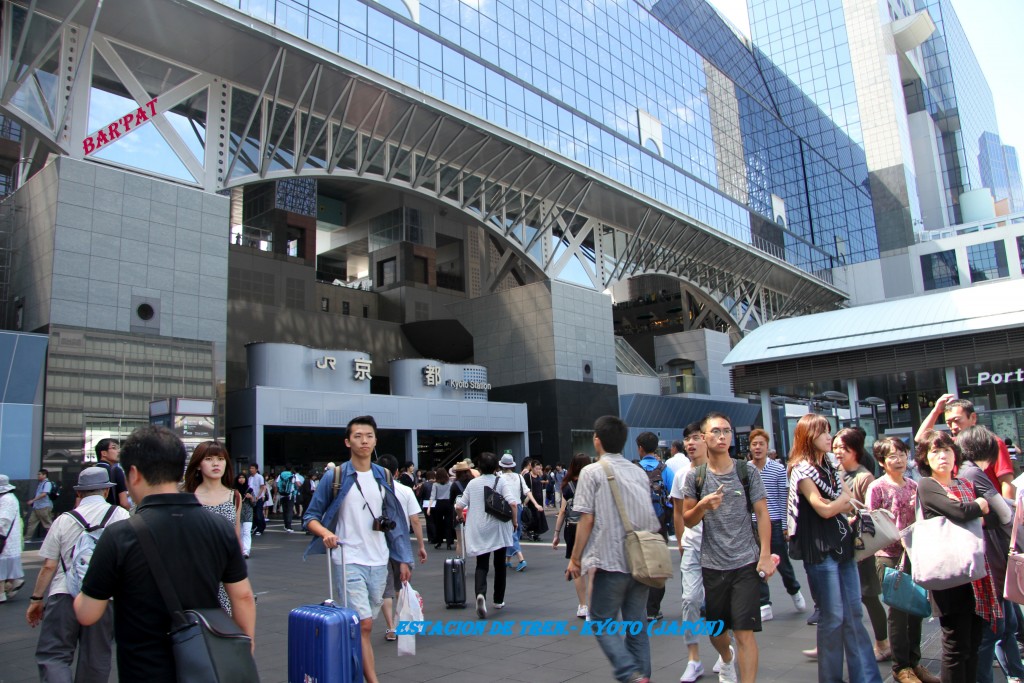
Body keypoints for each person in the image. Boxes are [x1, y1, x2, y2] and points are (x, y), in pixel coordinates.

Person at [73, 425, 255, 683]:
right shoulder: (219, 528)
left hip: (143, 670)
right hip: (205, 666)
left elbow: (87, 613)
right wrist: (243, 646)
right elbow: (243, 597)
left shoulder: (119, 535)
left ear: (133, 474)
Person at [302, 415, 413, 683]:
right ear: (347, 441)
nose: (364, 441)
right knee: (362, 624)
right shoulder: (336, 476)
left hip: (379, 560)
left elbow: (394, 523)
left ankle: (348, 672)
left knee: (363, 625)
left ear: (375, 441)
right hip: (347, 558)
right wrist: (327, 532)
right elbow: (310, 517)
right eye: (358, 436)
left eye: (369, 436)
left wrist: (403, 560)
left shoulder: (383, 475)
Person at [786, 413, 881, 683]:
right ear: (808, 436)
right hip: (819, 548)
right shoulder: (801, 469)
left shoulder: (829, 463)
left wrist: (838, 503)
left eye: (829, 431)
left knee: (853, 613)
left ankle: (867, 677)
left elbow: (845, 501)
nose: (831, 437)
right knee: (834, 616)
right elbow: (824, 508)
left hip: (842, 544)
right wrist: (839, 503)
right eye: (824, 433)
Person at [567, 416, 661, 683]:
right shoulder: (637, 471)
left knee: (600, 620)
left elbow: (586, 518)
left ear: (597, 440)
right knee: (636, 625)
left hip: (612, 561)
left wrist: (575, 559)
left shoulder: (592, 472)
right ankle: (643, 676)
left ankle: (628, 672)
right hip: (642, 560)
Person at [682, 412, 775, 683]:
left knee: (745, 632)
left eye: (726, 431)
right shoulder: (695, 477)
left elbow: (762, 512)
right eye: (716, 432)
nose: (722, 436)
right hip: (713, 564)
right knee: (716, 630)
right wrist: (702, 505)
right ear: (703, 437)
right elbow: (687, 520)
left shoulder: (747, 471)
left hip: (745, 561)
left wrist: (765, 554)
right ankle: (726, 658)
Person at [26, 467, 129, 683]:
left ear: (79, 493)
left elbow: (48, 566)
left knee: (54, 654)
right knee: (96, 656)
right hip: (104, 597)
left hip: (63, 593)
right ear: (106, 492)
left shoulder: (64, 519)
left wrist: (36, 599)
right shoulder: (120, 515)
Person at [915, 429, 999, 683]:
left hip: (975, 572)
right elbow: (962, 512)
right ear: (925, 459)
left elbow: (993, 519)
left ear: (956, 455)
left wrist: (975, 510)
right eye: (935, 451)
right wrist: (978, 507)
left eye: (947, 450)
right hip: (949, 574)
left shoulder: (964, 483)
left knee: (973, 642)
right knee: (955, 645)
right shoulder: (927, 485)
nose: (942, 456)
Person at [955, 426, 1024, 683]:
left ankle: (1015, 673)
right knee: (993, 628)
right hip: (988, 555)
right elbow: (1004, 514)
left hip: (987, 554)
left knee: (1005, 625)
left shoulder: (963, 471)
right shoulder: (974, 472)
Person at [866, 437, 938, 683]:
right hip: (888, 555)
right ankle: (900, 667)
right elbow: (871, 522)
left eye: (902, 454)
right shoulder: (877, 487)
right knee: (898, 612)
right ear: (882, 461)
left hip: (913, 553)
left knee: (916, 607)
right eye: (892, 456)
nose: (898, 460)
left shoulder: (914, 485)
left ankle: (914, 662)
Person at [833, 427, 890, 662]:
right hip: (839, 543)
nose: (837, 452)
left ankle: (882, 643)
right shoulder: (835, 471)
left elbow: (869, 512)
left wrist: (850, 514)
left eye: (842, 448)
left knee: (868, 595)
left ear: (854, 450)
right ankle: (836, 643)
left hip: (860, 546)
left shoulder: (864, 477)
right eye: (835, 447)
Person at [749, 428, 805, 622]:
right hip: (752, 523)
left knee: (782, 563)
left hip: (774, 521)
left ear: (767, 447)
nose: (757, 448)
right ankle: (764, 603)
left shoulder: (778, 469)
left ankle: (794, 589)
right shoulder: (745, 469)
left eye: (761, 444)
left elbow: (784, 497)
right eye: (754, 444)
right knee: (757, 562)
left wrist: (786, 525)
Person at [455, 452, 517, 618]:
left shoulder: (473, 484)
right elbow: (512, 503)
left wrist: (460, 517)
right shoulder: (501, 481)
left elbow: (459, 505)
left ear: (479, 467)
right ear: (496, 467)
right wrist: (515, 522)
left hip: (479, 528)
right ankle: (498, 600)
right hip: (499, 528)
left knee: (481, 564)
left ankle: (480, 594)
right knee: (499, 565)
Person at [184, 441, 243, 614]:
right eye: (209, 459)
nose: (216, 463)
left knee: (224, 627)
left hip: (225, 574)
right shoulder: (186, 496)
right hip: (193, 573)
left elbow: (236, 538)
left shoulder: (235, 496)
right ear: (198, 465)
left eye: (220, 459)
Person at [917, 395, 1015, 499]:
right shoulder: (951, 444)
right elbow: (921, 439)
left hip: (991, 507)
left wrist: (1009, 511)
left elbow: (1006, 481)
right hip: (963, 508)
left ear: (973, 417)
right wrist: (936, 411)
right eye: (949, 423)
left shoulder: (992, 443)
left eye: (957, 420)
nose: (953, 426)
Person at [671, 423, 709, 683]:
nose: (691, 443)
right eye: (687, 439)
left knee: (720, 603)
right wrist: (682, 540)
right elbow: (677, 511)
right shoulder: (681, 475)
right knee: (690, 599)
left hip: (722, 548)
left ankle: (725, 651)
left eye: (696, 437)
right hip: (693, 545)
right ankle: (693, 659)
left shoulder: (724, 471)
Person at [376, 454, 427, 642]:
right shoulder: (405, 490)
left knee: (385, 587)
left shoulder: (373, 490)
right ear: (397, 472)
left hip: (378, 543)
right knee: (401, 584)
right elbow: (415, 519)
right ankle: (403, 622)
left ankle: (391, 627)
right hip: (401, 543)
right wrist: (421, 545)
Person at [552, 453, 593, 619]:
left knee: (576, 565)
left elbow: (562, 511)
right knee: (593, 565)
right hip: (590, 526)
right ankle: (595, 605)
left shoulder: (567, 486)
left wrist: (556, 534)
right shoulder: (592, 482)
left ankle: (583, 605)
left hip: (572, 528)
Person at [636, 431, 671, 622]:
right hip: (660, 525)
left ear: (640, 448)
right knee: (658, 567)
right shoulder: (665, 470)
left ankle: (639, 606)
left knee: (640, 565)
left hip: (639, 525)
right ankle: (653, 609)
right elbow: (674, 499)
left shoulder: (634, 469)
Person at [499, 453, 537, 572]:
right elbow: (527, 491)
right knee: (515, 532)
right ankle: (508, 561)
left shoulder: (499, 477)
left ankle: (521, 559)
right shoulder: (519, 477)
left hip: (505, 508)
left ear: (502, 466)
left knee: (510, 534)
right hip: (518, 507)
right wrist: (536, 504)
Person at [0, 473, 25, 602]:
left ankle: (2, 594)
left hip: (5, 539)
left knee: (2, 567)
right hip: (7, 540)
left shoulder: (7, 499)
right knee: (5, 566)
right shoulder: (8, 498)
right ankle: (14, 583)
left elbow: (3, 520)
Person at [93, 440, 130, 510]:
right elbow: (124, 503)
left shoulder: (88, 472)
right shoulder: (116, 471)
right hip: (111, 516)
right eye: (114, 448)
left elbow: (78, 503)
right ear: (104, 453)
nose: (118, 451)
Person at [428, 467, 455, 550]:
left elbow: (432, 496)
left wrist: (429, 507)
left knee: (438, 523)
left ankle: (439, 542)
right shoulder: (450, 483)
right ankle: (449, 542)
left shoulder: (435, 484)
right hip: (448, 503)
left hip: (439, 504)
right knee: (449, 523)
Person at [25, 469, 55, 542]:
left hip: (44, 507)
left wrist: (33, 500)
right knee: (31, 522)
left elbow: (44, 494)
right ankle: (27, 539)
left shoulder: (47, 483)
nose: (38, 476)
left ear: (45, 475)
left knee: (47, 524)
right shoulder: (40, 483)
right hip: (37, 507)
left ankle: (53, 540)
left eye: (39, 474)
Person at [236, 474, 254, 558]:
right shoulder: (234, 491)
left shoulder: (250, 490)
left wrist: (251, 498)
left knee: (246, 532)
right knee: (240, 533)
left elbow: (254, 504)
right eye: (239, 478)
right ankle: (240, 550)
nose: (241, 479)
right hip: (237, 514)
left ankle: (246, 551)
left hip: (248, 513)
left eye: (243, 478)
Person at [247, 463, 268, 536]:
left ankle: (260, 528)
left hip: (258, 498)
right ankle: (257, 526)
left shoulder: (259, 477)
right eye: (250, 468)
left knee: (259, 513)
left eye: (253, 468)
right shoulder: (250, 478)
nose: (251, 470)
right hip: (252, 498)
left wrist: (258, 496)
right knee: (254, 513)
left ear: (256, 469)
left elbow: (262, 487)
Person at [276, 465, 297, 533]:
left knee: (285, 510)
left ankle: (286, 525)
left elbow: (277, 484)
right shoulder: (293, 475)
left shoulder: (281, 475)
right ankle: (289, 526)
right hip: (290, 495)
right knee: (290, 510)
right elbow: (297, 484)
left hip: (282, 494)